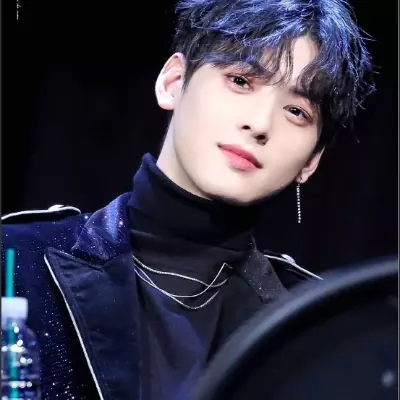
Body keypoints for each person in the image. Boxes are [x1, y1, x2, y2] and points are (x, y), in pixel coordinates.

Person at [2, 0, 374, 399]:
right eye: (241, 80)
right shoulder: (17, 259)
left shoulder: (315, 330)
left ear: (312, 161)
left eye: (297, 111)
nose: (260, 123)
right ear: (174, 82)